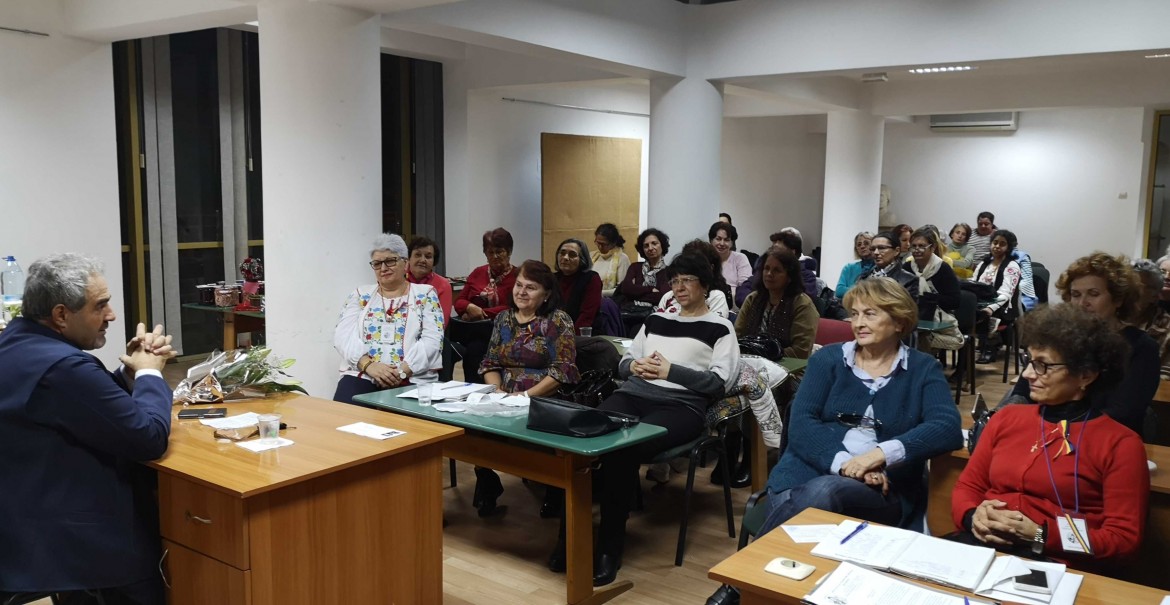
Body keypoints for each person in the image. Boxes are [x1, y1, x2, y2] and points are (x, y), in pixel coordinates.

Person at [706, 277, 962, 605]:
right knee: (813, 510)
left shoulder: (923, 368)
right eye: (854, 314)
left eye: (870, 314)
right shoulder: (827, 360)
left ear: (899, 321)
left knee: (825, 493)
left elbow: (946, 427)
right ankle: (754, 588)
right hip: (803, 475)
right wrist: (848, 466)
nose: (858, 323)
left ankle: (738, 585)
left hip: (882, 490)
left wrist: (879, 455)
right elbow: (801, 425)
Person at [0, 253, 176, 604]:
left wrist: (129, 373)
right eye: (100, 305)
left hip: (31, 523)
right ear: (61, 315)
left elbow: (81, 404)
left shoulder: (16, 342)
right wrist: (150, 372)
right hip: (84, 543)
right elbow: (149, 438)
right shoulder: (63, 367)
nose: (111, 315)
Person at [952, 304, 1148, 572]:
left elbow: (1123, 540)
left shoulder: (1120, 444)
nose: (1027, 374)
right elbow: (967, 487)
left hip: (1057, 565)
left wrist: (1041, 534)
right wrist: (972, 517)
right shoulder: (1006, 418)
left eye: (1042, 365)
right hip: (983, 547)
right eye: (1028, 360)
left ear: (1085, 375)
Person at [588, 252, 739, 587]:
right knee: (587, 433)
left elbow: (719, 384)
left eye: (687, 281)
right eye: (674, 281)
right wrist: (633, 366)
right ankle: (568, 537)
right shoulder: (656, 319)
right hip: (635, 393)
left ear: (705, 285)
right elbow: (624, 362)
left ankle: (608, 548)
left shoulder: (721, 327)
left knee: (624, 447)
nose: (678, 288)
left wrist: (672, 371)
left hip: (681, 406)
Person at [1000, 253, 1159, 436]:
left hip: (1105, 439)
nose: (1082, 303)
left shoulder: (1141, 347)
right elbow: (1022, 394)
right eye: (1075, 295)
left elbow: (1123, 413)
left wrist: (1060, 433)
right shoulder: (1056, 337)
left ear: (1118, 299)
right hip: (1046, 433)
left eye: (1094, 294)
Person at [474, 260, 580, 517]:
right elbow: (490, 362)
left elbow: (562, 371)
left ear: (546, 294)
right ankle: (487, 484)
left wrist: (524, 396)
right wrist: (497, 391)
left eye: (530, 288)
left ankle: (556, 489)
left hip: (545, 397)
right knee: (473, 432)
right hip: (504, 397)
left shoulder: (557, 320)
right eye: (519, 285)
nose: (521, 292)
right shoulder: (503, 319)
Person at [333, 233, 445, 404]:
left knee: (409, 419)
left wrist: (401, 371)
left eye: (390, 261)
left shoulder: (426, 294)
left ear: (405, 263)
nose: (383, 268)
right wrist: (369, 366)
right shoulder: (360, 295)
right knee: (344, 414)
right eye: (377, 264)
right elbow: (343, 336)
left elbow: (433, 340)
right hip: (364, 373)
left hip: (412, 376)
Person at [453, 228, 520, 380]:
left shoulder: (517, 276)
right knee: (473, 353)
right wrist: (469, 307)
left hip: (507, 333)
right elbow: (459, 301)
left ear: (509, 252)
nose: (495, 256)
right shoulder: (478, 272)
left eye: (499, 251)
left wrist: (481, 313)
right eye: (490, 252)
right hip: (478, 334)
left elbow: (513, 307)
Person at [971, 229, 1022, 364]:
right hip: (981, 302)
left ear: (1008, 247)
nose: (997, 246)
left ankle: (989, 347)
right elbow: (973, 283)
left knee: (984, 314)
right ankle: (966, 347)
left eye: (1002, 244)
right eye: (995, 242)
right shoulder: (984, 264)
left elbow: (1006, 294)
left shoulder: (1012, 266)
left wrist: (990, 307)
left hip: (1003, 307)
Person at [657, 239, 731, 317]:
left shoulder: (716, 296)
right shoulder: (668, 296)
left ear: (710, 268)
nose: (679, 288)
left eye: (688, 280)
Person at [904, 227, 960, 322]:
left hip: (940, 317)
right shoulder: (907, 267)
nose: (917, 250)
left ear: (932, 247)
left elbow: (954, 301)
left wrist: (928, 298)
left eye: (921, 246)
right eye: (914, 246)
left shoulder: (942, 268)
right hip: (909, 316)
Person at [553, 237, 602, 331]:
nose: (565, 258)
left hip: (581, 333)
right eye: (562, 253)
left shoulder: (591, 278)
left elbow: (587, 316)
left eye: (572, 255)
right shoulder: (552, 278)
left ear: (582, 259)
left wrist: (569, 337)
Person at [615, 228, 670, 309]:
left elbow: (661, 297)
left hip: (656, 313)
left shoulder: (669, 272)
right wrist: (651, 289)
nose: (650, 248)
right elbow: (626, 289)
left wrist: (635, 292)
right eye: (646, 246)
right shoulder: (635, 267)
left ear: (662, 245)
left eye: (654, 243)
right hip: (629, 311)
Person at [406, 235, 454, 327]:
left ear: (434, 261)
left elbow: (441, 323)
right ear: (409, 258)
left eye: (428, 256)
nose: (422, 260)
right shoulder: (398, 280)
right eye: (418, 255)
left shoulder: (443, 285)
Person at [858, 231, 918, 301]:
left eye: (881, 248)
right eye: (873, 249)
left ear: (897, 251)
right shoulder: (864, 277)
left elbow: (907, 307)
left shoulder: (908, 280)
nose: (876, 252)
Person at [1136, 257, 1170, 380]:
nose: (1167, 277)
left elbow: (1165, 375)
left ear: (1155, 295)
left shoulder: (1166, 328)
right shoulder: (1108, 318)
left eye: (1139, 286)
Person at [709, 221, 753, 303]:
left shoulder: (740, 258)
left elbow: (745, 286)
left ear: (732, 243)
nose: (722, 243)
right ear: (711, 240)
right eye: (718, 239)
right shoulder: (704, 259)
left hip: (734, 305)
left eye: (726, 240)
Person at [592, 223, 631, 297]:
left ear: (613, 243)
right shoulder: (592, 256)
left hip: (609, 300)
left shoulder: (622, 258)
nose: (600, 247)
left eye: (603, 244)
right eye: (598, 243)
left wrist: (598, 293)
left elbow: (622, 289)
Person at [834, 231, 875, 299]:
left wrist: (851, 290)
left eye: (866, 243)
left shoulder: (880, 267)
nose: (862, 246)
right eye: (859, 244)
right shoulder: (849, 267)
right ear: (856, 249)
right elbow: (839, 291)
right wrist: (864, 291)